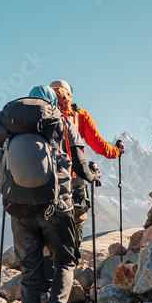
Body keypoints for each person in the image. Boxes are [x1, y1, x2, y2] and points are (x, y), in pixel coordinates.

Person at [7, 85, 77, 303]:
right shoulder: (60, 121)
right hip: (55, 207)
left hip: (20, 211)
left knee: (30, 280)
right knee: (65, 261)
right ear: (50, 104)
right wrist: (91, 175)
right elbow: (81, 166)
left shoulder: (12, 130)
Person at [49, 80, 124, 249]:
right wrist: (116, 151)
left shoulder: (41, 115)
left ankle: (49, 257)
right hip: (73, 174)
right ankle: (72, 256)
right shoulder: (80, 115)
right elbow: (98, 145)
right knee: (78, 214)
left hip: (45, 175)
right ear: (69, 94)